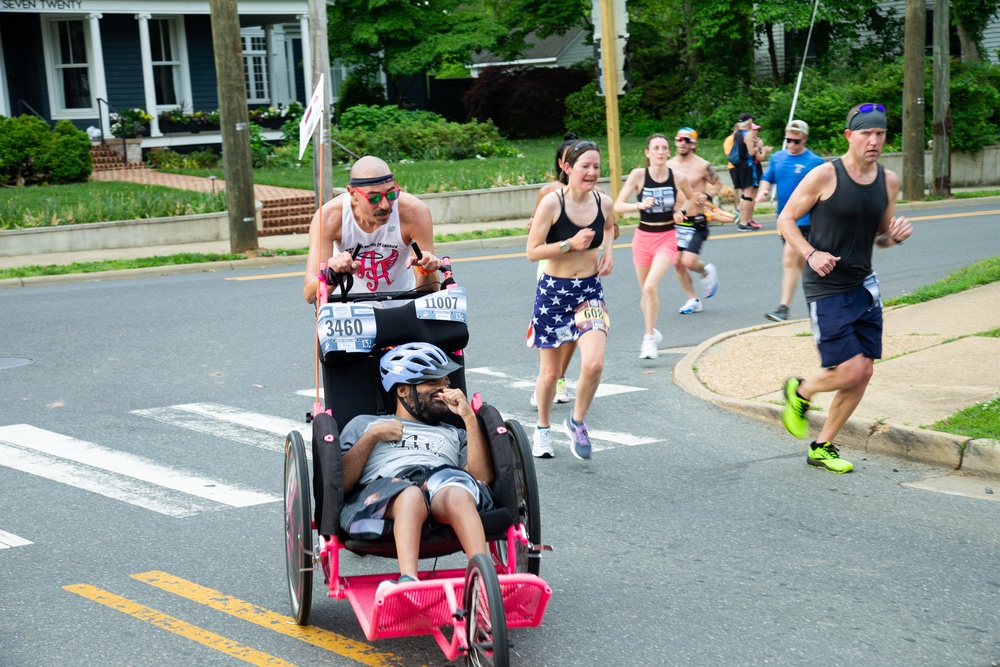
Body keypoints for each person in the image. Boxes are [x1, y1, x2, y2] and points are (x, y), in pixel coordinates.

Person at [777, 103, 913, 474]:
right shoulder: (825, 175)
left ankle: (823, 445)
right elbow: (785, 219)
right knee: (850, 370)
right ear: (849, 136)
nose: (874, 141)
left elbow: (880, 237)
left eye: (880, 134)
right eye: (866, 133)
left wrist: (894, 238)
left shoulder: (888, 180)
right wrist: (810, 252)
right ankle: (801, 391)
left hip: (864, 286)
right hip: (827, 287)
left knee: (864, 371)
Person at [339, 342, 495, 596]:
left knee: (458, 492)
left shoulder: (454, 433)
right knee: (410, 495)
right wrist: (372, 437)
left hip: (441, 483)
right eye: (432, 383)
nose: (443, 389)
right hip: (388, 488)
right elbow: (341, 483)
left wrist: (468, 418)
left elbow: (481, 478)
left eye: (445, 382)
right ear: (402, 390)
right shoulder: (366, 425)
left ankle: (483, 579)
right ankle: (408, 581)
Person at [526, 139, 615, 459]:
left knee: (594, 362)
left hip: (589, 291)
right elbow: (531, 251)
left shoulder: (603, 201)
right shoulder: (552, 203)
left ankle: (576, 421)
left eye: (596, 167)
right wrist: (570, 244)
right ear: (567, 168)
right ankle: (542, 428)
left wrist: (608, 252)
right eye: (585, 167)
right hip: (553, 293)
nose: (592, 172)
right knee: (550, 374)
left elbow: (610, 226)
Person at [303, 155, 442, 304]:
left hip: (402, 301)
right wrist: (334, 275)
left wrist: (426, 270)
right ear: (353, 194)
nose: (385, 205)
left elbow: (429, 289)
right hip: (350, 305)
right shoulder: (329, 217)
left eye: (391, 194)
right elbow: (310, 294)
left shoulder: (414, 212)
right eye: (374, 198)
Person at [614, 134, 695, 359]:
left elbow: (690, 199)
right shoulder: (638, 175)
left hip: (667, 237)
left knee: (650, 287)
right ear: (647, 153)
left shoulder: (678, 177)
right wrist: (639, 204)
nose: (660, 152)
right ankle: (653, 331)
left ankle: (648, 338)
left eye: (664, 148)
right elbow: (618, 206)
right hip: (642, 238)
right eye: (656, 148)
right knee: (646, 292)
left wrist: (681, 212)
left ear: (669, 153)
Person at [528, 134, 581, 409]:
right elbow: (534, 229)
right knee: (549, 325)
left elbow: (611, 226)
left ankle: (559, 377)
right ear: (562, 163)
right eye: (572, 158)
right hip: (550, 267)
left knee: (575, 328)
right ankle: (545, 380)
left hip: (582, 272)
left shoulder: (593, 196)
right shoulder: (547, 193)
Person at [756, 120, 827, 322]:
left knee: (789, 260)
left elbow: (828, 183)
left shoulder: (815, 162)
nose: (792, 144)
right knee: (803, 267)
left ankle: (783, 308)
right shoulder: (778, 158)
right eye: (788, 140)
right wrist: (763, 191)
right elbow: (767, 177)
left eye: (796, 141)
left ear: (804, 138)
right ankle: (823, 300)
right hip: (784, 222)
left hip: (804, 222)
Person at [666, 127, 722, 315]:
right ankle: (693, 299)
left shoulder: (702, 165)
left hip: (696, 220)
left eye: (687, 140)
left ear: (694, 144)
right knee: (677, 262)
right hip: (676, 220)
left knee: (689, 262)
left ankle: (705, 271)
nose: (683, 143)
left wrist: (706, 195)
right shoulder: (669, 164)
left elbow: (718, 183)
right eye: (679, 139)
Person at [725, 113, 767, 232]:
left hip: (739, 166)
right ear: (748, 121)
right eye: (751, 121)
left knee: (745, 195)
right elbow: (751, 152)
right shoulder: (747, 134)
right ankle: (744, 223)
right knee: (748, 196)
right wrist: (759, 146)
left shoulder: (736, 133)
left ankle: (745, 221)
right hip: (748, 167)